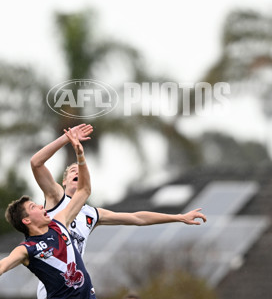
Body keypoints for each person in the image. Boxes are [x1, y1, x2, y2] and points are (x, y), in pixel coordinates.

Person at [31, 124, 207, 299]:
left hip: (77, 287)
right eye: (71, 171)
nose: (77, 170)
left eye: (80, 169)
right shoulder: (55, 197)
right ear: (63, 181)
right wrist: (66, 138)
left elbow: (137, 217)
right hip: (53, 289)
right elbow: (36, 163)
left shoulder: (92, 214)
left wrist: (178, 217)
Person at [0, 127, 97, 299]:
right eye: (34, 207)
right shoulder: (27, 249)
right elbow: (1, 267)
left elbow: (84, 190)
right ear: (26, 220)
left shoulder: (60, 223)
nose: (42, 207)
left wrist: (80, 156)